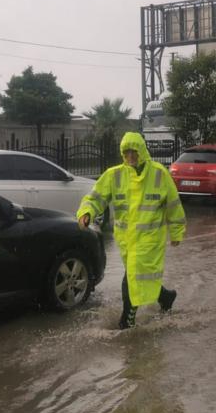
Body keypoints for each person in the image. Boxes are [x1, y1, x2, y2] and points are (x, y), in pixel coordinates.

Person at [77, 132, 186, 329]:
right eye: (126, 153)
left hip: (150, 239)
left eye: (133, 152)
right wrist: (87, 213)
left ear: (142, 151)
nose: (130, 157)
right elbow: (95, 198)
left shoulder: (159, 174)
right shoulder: (114, 175)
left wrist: (177, 232)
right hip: (126, 239)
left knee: (132, 276)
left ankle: (126, 320)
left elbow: (173, 205)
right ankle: (166, 297)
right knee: (140, 275)